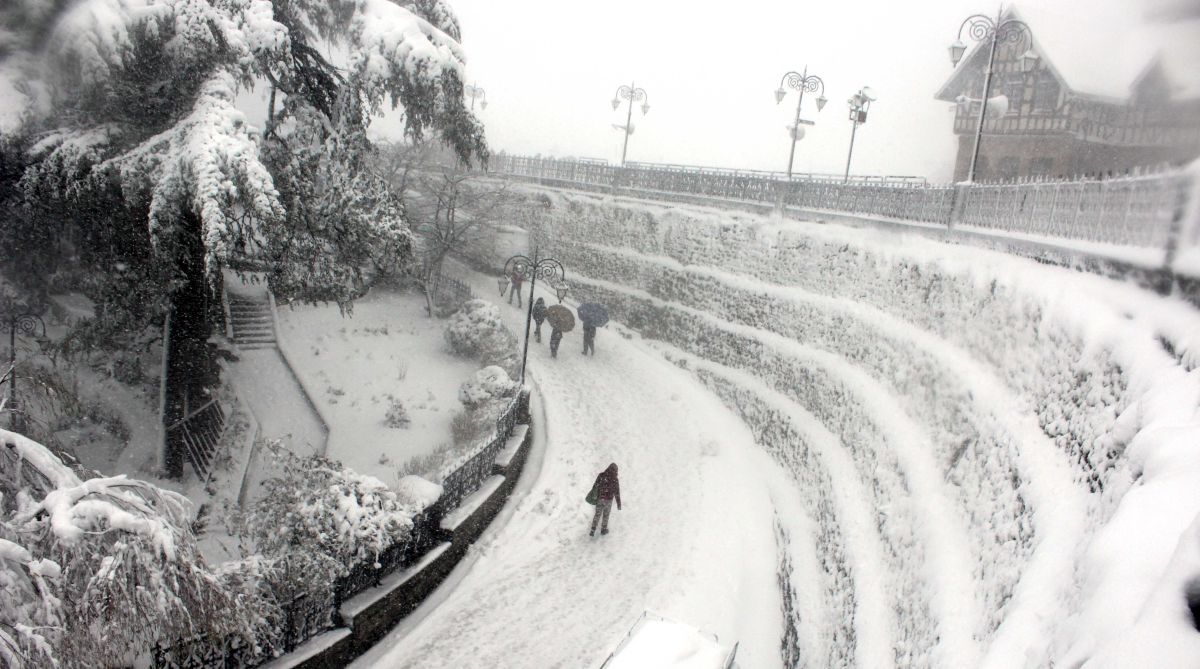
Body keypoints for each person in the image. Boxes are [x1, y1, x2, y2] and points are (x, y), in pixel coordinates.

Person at [589, 463, 622, 536]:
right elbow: (617, 492)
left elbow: (595, 485)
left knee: (597, 514)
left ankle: (592, 529)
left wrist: (594, 494)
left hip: (600, 498)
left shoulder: (601, 475)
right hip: (608, 500)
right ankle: (603, 529)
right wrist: (618, 503)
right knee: (606, 515)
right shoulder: (615, 479)